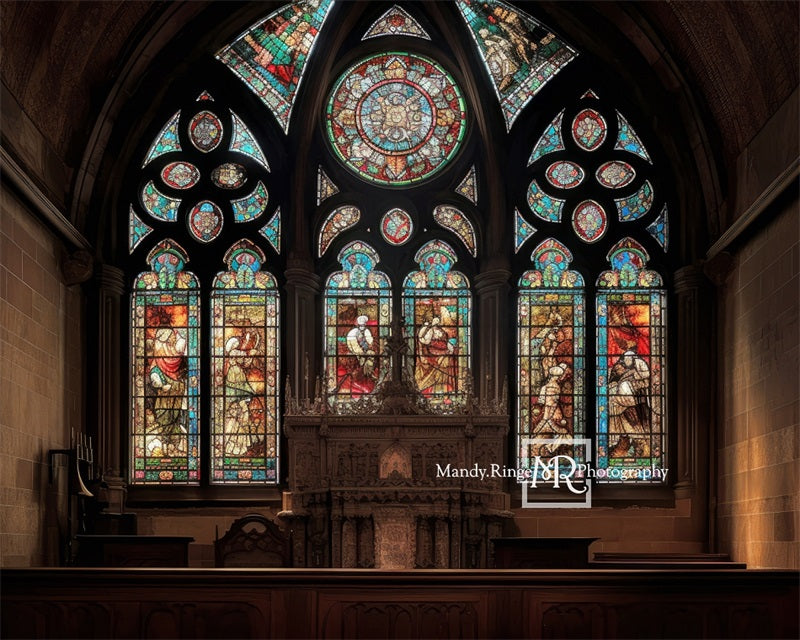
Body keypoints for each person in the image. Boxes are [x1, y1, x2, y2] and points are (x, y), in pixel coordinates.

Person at [147, 327, 188, 454]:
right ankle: (165, 449)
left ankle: (174, 448)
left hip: (178, 402)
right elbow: (154, 379)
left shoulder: (180, 359)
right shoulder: (157, 364)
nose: (173, 339)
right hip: (164, 402)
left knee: (176, 424)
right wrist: (161, 385)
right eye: (171, 337)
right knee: (165, 424)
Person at [608, 350, 651, 435]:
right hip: (630, 388)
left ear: (631, 358)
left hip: (640, 387)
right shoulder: (626, 367)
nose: (626, 362)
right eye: (625, 360)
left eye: (627, 360)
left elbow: (647, 374)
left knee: (624, 386)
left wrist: (635, 375)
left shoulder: (639, 362)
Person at [416, 314, 457, 397]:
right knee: (440, 364)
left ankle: (441, 386)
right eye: (435, 320)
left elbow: (445, 341)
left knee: (445, 362)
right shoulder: (428, 330)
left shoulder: (442, 331)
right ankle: (428, 388)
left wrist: (448, 348)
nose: (437, 322)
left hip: (442, 351)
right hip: (432, 352)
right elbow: (425, 341)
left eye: (438, 320)